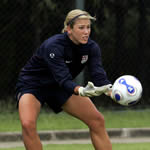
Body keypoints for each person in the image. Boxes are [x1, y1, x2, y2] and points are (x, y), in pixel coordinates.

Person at [16, 9, 113, 150]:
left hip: (59, 87)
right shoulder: (53, 46)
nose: (86, 32)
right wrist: (81, 90)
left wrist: (110, 90)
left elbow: (98, 73)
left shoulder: (92, 48)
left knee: (97, 121)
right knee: (27, 124)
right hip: (33, 85)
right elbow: (63, 78)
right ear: (69, 28)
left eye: (88, 27)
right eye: (81, 28)